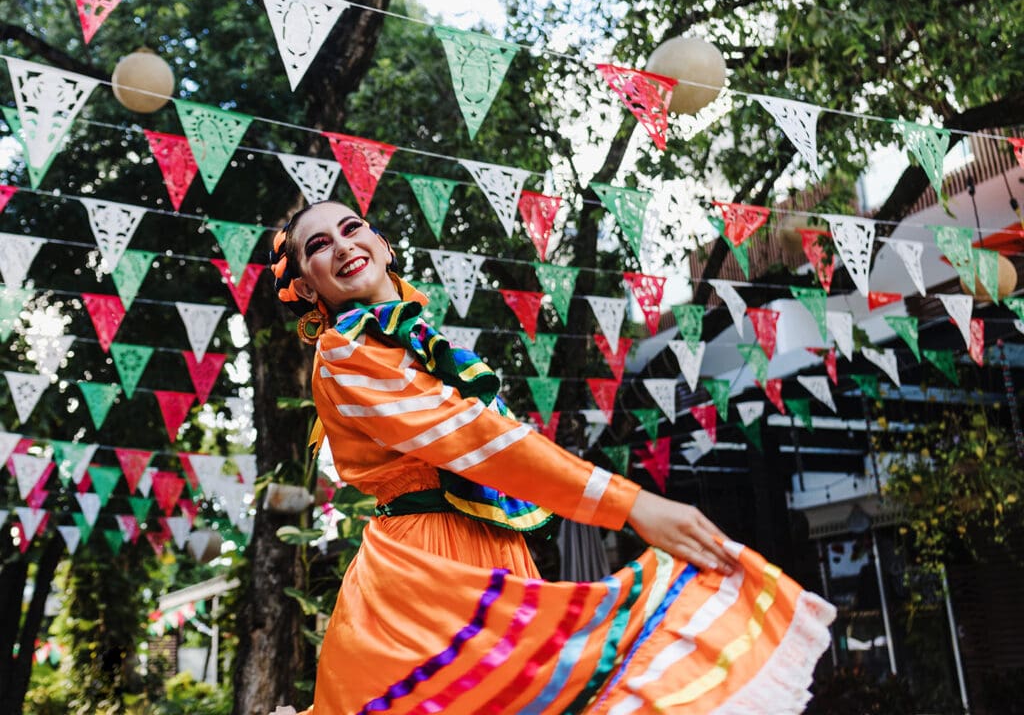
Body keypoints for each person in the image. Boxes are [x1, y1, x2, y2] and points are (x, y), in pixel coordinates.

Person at [268, 200, 835, 714]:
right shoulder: (345, 354)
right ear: (309, 289)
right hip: (423, 573)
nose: (341, 245)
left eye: (351, 228)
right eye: (318, 245)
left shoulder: (412, 343)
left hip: (488, 553)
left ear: (384, 246)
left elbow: (496, 436)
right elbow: (474, 439)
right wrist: (631, 505)